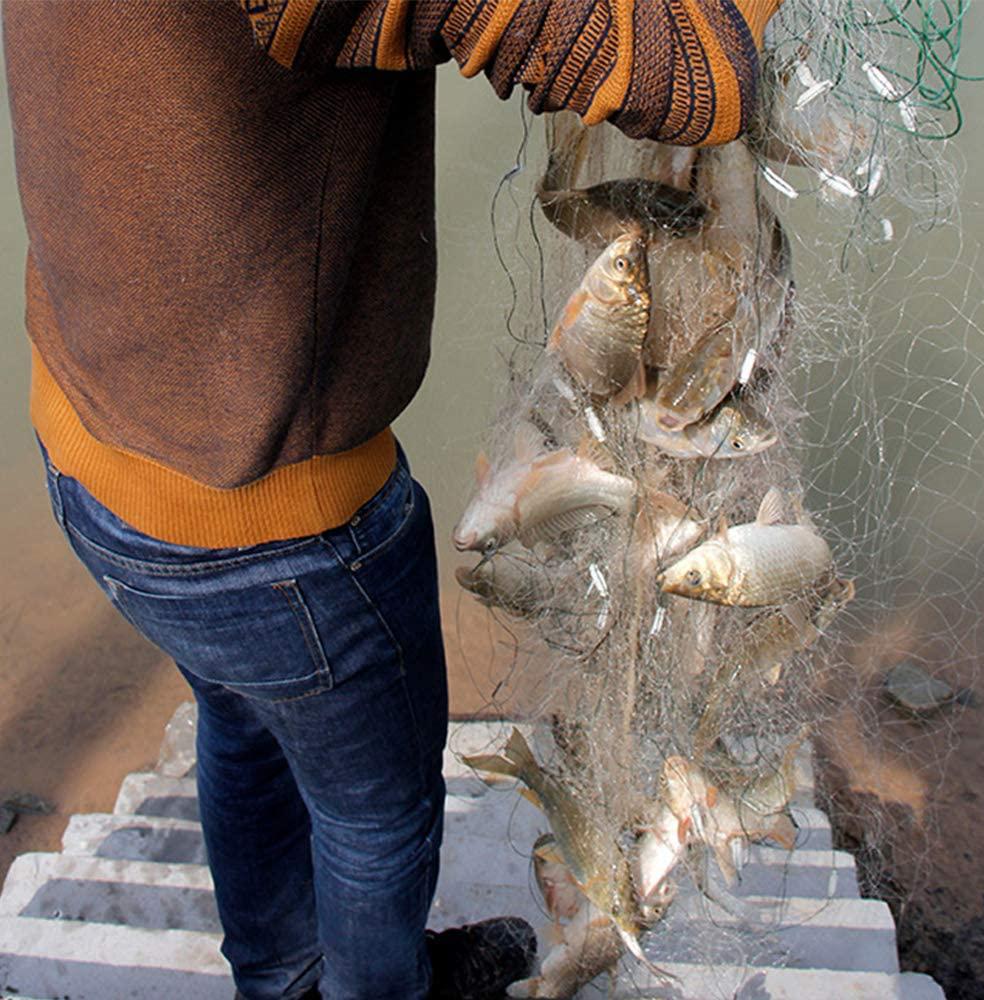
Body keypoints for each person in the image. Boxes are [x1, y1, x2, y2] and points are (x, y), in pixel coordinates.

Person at [3, 1, 781, 997]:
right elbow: (695, 74)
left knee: (243, 723)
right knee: (374, 817)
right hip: (280, 533)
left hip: (91, 444)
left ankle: (279, 978)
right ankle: (384, 983)